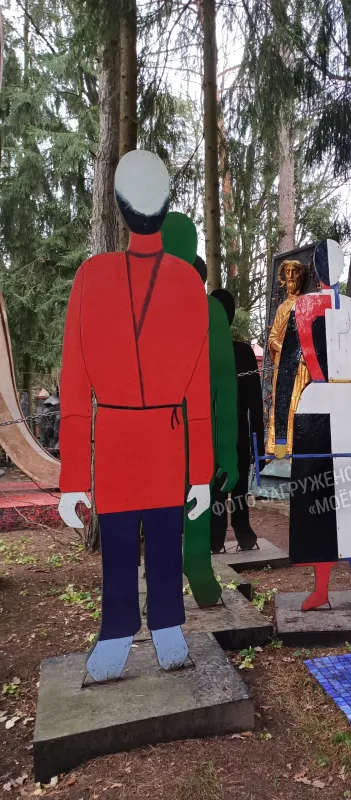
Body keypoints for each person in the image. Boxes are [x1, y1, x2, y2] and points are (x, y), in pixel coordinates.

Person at [58, 151, 213, 681]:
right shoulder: (94, 276)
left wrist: (200, 471)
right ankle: (118, 631)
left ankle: (167, 625)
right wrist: (72, 477)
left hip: (157, 435)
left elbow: (197, 386)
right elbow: (75, 382)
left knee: (163, 537)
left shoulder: (184, 282)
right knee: (123, 539)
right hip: (124, 435)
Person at [274, 239, 351, 610]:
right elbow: (287, 368)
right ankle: (325, 587)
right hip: (328, 406)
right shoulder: (319, 309)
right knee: (321, 502)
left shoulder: (345, 311)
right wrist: (281, 432)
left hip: (334, 406)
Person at [161, 211, 238, 607]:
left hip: (188, 426)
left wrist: (228, 451)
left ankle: (191, 567)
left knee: (188, 499)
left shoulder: (210, 313)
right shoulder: (154, 308)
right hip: (170, 426)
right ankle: (180, 570)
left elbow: (224, 385)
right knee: (178, 500)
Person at [211, 289, 265, 552]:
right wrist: (259, 446)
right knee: (234, 484)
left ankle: (221, 536)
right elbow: (255, 405)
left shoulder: (239, 352)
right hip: (230, 431)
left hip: (221, 432)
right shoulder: (239, 352)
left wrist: (259, 446)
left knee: (223, 484)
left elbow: (255, 403)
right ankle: (237, 534)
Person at [265, 260, 310, 455]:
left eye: (294, 272)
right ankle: (276, 446)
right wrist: (284, 349)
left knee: (297, 402)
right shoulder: (282, 308)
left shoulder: (306, 304)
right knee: (280, 404)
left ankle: (295, 446)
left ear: (301, 276)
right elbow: (272, 338)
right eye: (288, 272)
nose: (290, 275)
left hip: (300, 364)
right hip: (281, 363)